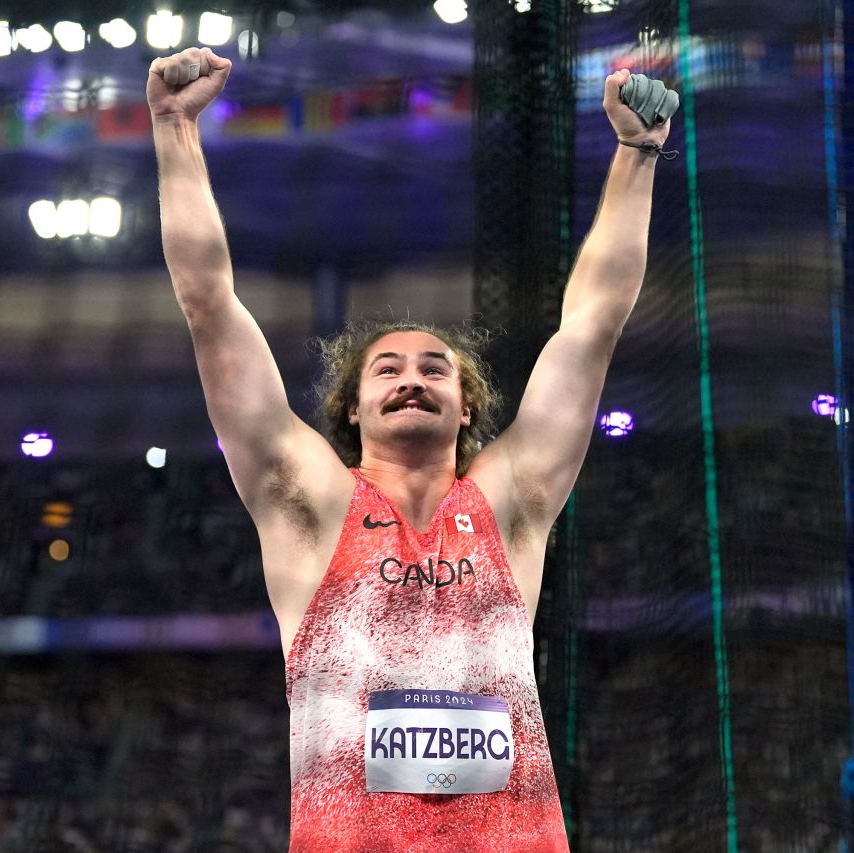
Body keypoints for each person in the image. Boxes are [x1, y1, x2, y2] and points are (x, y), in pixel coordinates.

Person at [147, 46, 671, 852]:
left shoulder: (513, 499)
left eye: (435, 368)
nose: (411, 378)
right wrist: (174, 128)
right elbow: (209, 306)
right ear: (351, 408)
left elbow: (592, 323)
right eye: (386, 368)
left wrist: (637, 154)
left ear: (468, 410)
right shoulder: (310, 501)